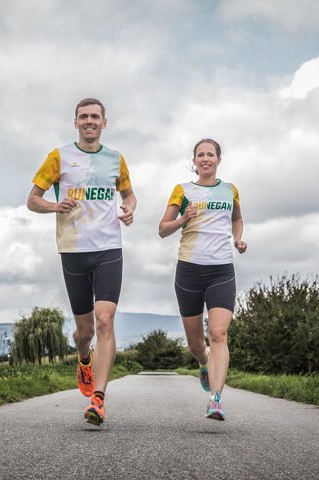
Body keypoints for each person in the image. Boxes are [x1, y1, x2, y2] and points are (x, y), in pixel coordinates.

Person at [27, 98, 137, 425]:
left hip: (108, 248)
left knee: (105, 320)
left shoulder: (116, 159)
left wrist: (130, 207)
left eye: (95, 117)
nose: (89, 121)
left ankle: (99, 400)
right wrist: (53, 207)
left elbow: (128, 194)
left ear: (104, 122)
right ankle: (83, 356)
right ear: (75, 122)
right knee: (84, 331)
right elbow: (32, 199)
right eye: (83, 117)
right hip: (73, 249)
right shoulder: (59, 156)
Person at [158, 138, 247, 421]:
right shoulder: (183, 190)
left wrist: (237, 239)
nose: (205, 159)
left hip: (222, 270)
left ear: (219, 159)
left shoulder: (230, 190)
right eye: (200, 155)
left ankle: (216, 399)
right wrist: (183, 218)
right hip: (189, 270)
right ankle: (203, 361)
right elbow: (162, 229)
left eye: (211, 154)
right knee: (197, 344)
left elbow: (237, 218)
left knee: (219, 334)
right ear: (194, 160)